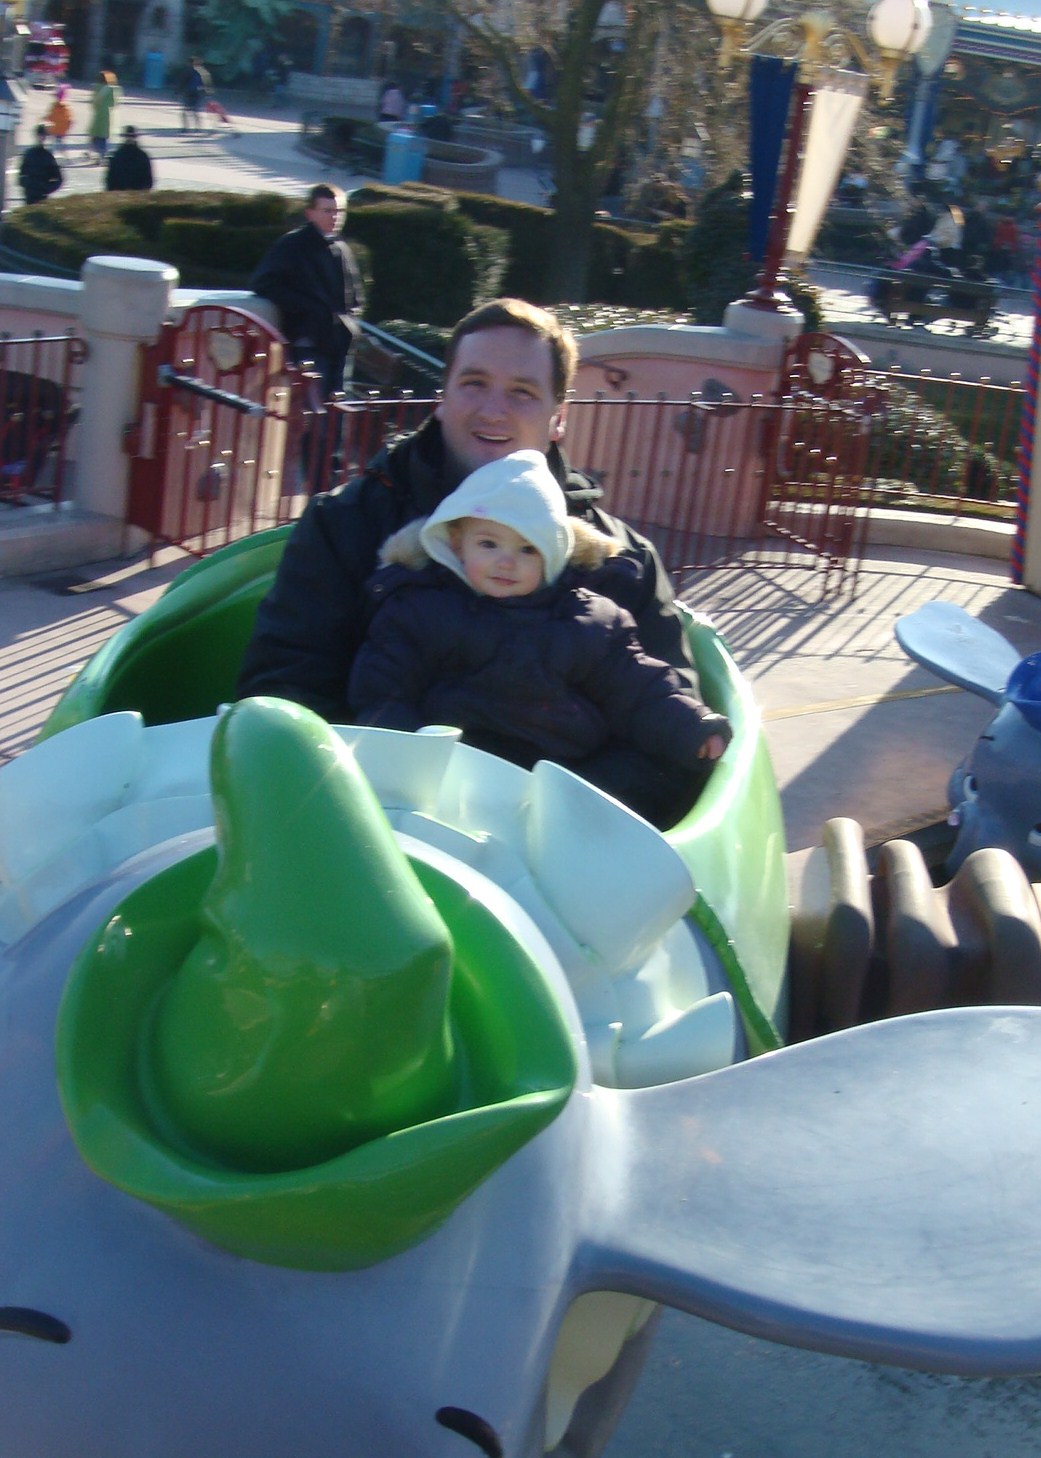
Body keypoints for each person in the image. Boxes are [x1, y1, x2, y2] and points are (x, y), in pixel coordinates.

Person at [236, 298, 701, 788]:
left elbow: (672, 729)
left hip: (558, 830)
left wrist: (548, 811)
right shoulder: (346, 523)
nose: (493, 410)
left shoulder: (621, 559)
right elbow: (287, 689)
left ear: (558, 417)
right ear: (443, 397)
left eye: (522, 392)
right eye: (474, 384)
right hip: (377, 808)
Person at [349, 450, 731, 827]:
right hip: (455, 776)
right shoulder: (422, 611)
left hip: (559, 781)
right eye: (488, 543)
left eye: (527, 548)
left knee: (656, 783)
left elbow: (638, 688)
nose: (506, 561)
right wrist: (404, 763)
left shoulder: (588, 620)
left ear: (552, 554)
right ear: (456, 543)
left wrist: (691, 726)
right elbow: (385, 688)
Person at [250, 182, 365, 400]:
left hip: (339, 344)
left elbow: (355, 296)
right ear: (310, 213)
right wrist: (308, 309)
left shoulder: (341, 248)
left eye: (340, 211)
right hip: (308, 343)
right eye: (328, 211)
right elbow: (263, 284)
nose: (335, 217)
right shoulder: (292, 245)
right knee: (311, 412)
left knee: (335, 411)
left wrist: (350, 323)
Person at [18, 125, 62, 205]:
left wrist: (46, 188)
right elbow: (21, 176)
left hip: (42, 196)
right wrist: (29, 185)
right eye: (40, 135)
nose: (41, 138)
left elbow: (58, 178)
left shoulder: (47, 156)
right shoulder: (29, 154)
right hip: (30, 196)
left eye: (43, 135)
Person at [105, 125, 153, 191]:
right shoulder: (142, 156)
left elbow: (109, 181)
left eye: (131, 136)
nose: (130, 139)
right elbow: (148, 181)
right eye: (129, 136)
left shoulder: (117, 155)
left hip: (121, 196)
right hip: (135, 196)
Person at [88, 70, 120, 164]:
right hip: (106, 115)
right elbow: (113, 103)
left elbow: (93, 102)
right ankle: (101, 156)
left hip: (97, 114)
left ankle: (93, 154)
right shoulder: (111, 89)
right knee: (103, 136)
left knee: (95, 135)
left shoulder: (95, 87)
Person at [181, 56, 211, 132]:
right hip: (194, 93)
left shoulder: (190, 71)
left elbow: (183, 82)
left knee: (188, 111)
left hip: (192, 93)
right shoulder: (202, 72)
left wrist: (177, 92)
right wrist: (207, 93)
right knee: (193, 111)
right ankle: (195, 128)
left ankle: (187, 128)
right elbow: (207, 84)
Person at [44, 84, 73, 157]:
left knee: (52, 142)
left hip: (54, 130)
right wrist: (68, 127)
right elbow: (70, 119)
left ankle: (51, 155)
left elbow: (51, 117)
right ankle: (65, 155)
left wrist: (44, 118)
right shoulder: (67, 107)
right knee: (60, 142)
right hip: (62, 130)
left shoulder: (55, 106)